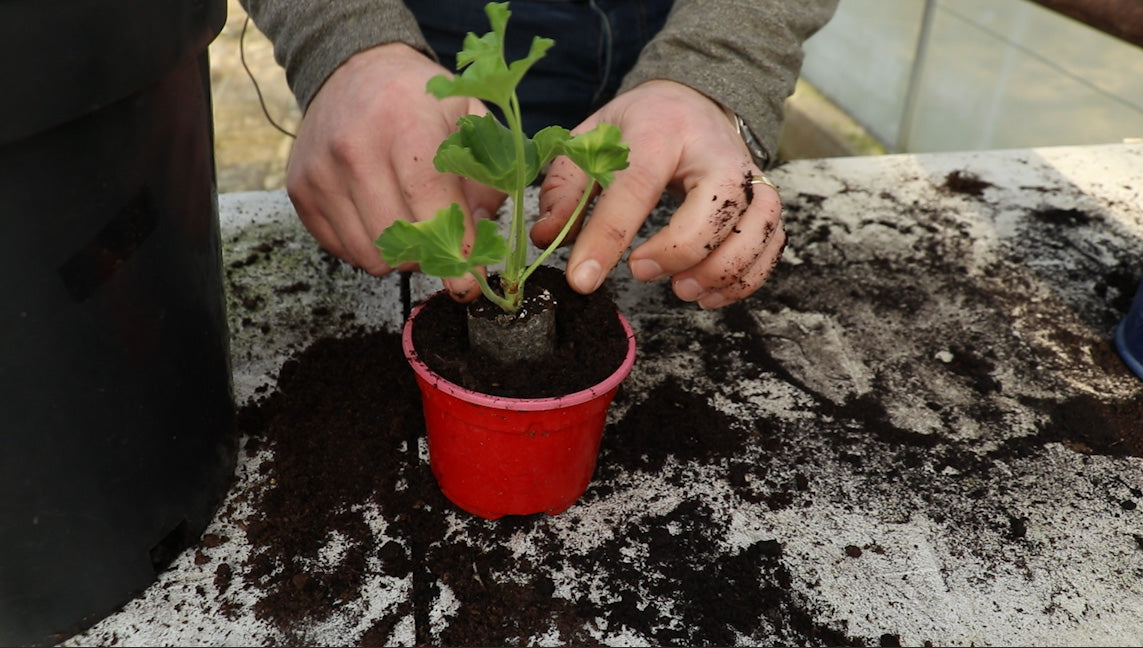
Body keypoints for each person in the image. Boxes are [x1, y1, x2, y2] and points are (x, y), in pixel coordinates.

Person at [239, 0, 838, 309]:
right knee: (438, 218)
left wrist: (716, 73)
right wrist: (345, 42)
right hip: (421, 38)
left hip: (685, 20)